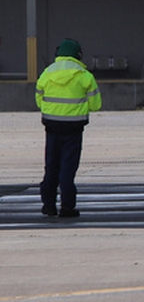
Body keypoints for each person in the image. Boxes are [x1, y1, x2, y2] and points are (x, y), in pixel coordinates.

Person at [36, 38, 102, 218]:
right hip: (73, 129)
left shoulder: (47, 73)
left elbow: (39, 100)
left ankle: (48, 206)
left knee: (51, 167)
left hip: (52, 128)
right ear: (78, 55)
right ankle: (67, 207)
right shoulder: (84, 75)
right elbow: (96, 105)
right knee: (67, 168)